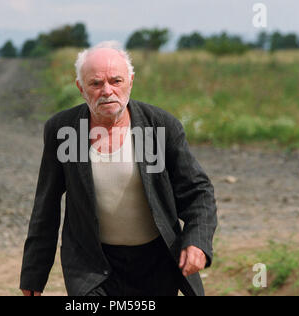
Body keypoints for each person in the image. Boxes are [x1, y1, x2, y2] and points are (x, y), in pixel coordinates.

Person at [20, 41, 217, 296]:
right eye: (96, 84)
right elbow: (45, 206)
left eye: (116, 81)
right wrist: (34, 274)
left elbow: (198, 192)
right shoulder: (63, 130)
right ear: (81, 88)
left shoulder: (161, 127)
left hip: (155, 264)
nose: (107, 91)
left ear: (130, 82)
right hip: (91, 266)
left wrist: (197, 243)